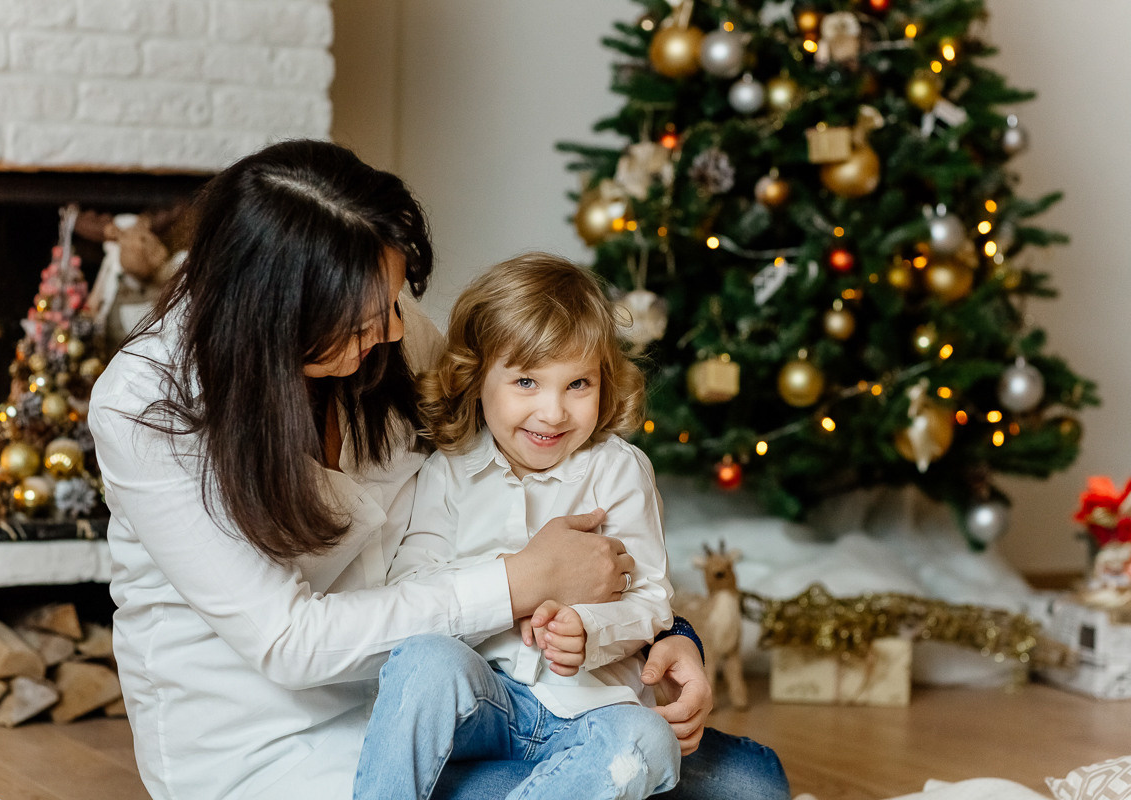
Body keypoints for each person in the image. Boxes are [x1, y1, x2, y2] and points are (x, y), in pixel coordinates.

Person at [87, 138, 788, 800]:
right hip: (278, 738)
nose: (396, 330)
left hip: (468, 694)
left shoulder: (382, 333)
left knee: (749, 784)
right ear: (276, 321)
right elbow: (290, 642)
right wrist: (524, 581)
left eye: (393, 302)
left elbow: (563, 486)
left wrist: (670, 639)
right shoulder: (148, 408)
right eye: (366, 321)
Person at [354, 255, 680, 799]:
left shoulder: (619, 469)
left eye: (578, 383)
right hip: (486, 705)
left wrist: (588, 630)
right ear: (476, 376)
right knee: (424, 659)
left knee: (648, 741)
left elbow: (650, 599)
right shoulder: (447, 473)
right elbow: (410, 591)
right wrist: (517, 586)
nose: (552, 413)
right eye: (526, 381)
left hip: (589, 714)